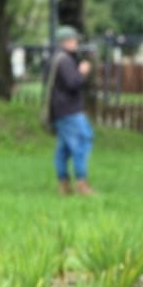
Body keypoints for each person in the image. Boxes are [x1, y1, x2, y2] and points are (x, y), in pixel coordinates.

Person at [49, 26, 95, 196]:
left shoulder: (56, 59)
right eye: (75, 40)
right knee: (82, 141)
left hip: (60, 110)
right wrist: (82, 72)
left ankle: (64, 185)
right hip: (69, 110)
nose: (77, 43)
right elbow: (73, 84)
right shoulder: (65, 61)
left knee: (63, 148)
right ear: (66, 41)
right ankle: (81, 183)